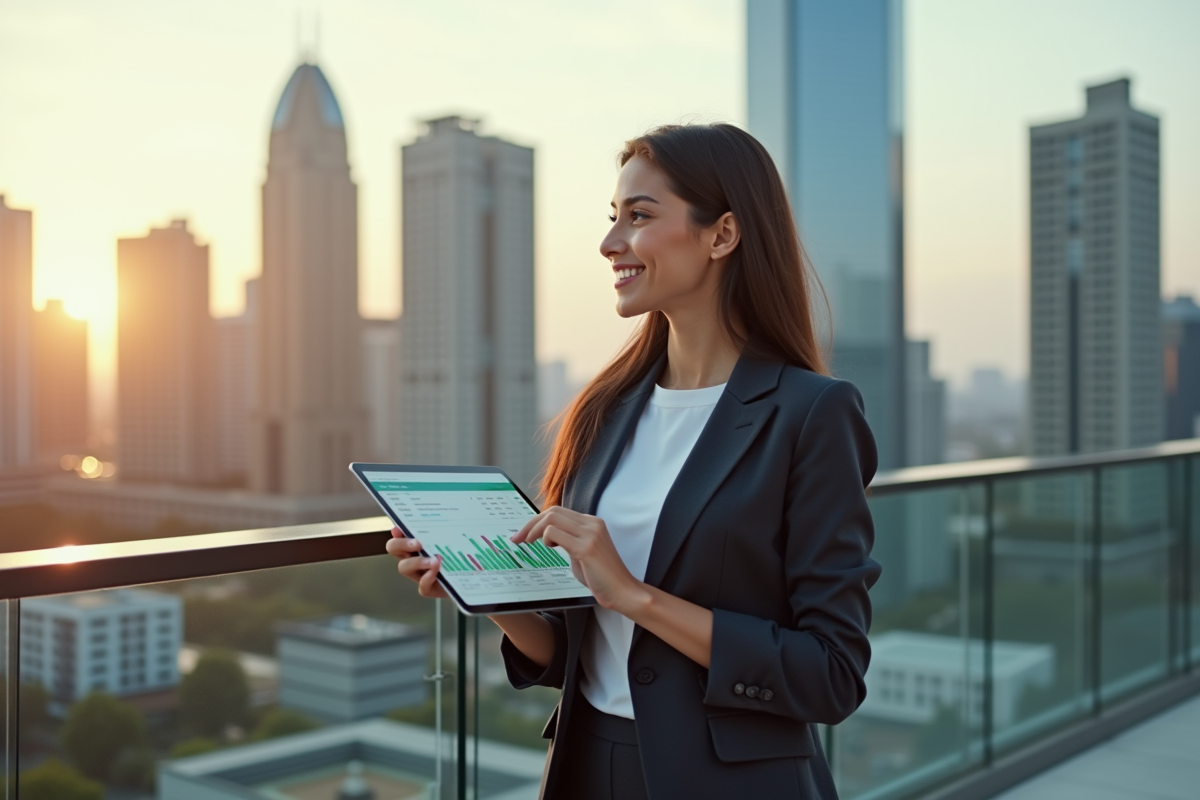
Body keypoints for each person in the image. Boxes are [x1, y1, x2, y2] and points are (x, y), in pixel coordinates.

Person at [387, 123, 880, 799]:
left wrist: (637, 596)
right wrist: (483, 588)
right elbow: (575, 651)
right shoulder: (606, 410)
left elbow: (831, 673)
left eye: (639, 217)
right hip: (590, 766)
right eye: (612, 218)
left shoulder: (810, 414)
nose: (610, 242)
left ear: (723, 235)